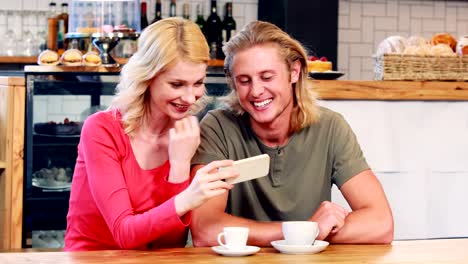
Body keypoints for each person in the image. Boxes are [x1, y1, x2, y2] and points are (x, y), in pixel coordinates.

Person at [190, 21, 394, 246]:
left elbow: (380, 223)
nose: (256, 91)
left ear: (294, 72)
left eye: (267, 77)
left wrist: (304, 235)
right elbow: (206, 230)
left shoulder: (330, 127)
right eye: (244, 81)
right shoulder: (217, 128)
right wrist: (306, 232)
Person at [64, 18, 237, 251]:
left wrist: (179, 165)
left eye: (198, 83)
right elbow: (124, 234)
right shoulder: (102, 130)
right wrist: (187, 197)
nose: (189, 98)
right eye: (176, 84)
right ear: (147, 77)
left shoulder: (185, 135)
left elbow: (169, 244)